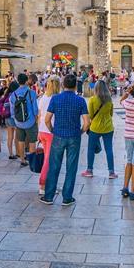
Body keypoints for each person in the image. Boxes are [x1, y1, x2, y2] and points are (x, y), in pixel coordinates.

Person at [41, 73, 89, 206]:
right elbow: (86, 123)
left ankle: (49, 196)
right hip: (74, 136)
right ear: (75, 86)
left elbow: (47, 119)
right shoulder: (80, 100)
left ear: (63, 85)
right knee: (71, 167)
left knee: (54, 166)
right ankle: (67, 197)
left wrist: (52, 130)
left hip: (58, 135)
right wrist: (81, 132)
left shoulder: (55, 99)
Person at [82, 80, 116, 179]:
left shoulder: (92, 99)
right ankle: (111, 172)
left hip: (95, 128)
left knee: (91, 149)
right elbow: (111, 114)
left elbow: (91, 115)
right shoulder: (109, 100)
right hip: (108, 127)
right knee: (109, 149)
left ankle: (89, 170)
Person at [37, 77, 61, 195]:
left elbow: (39, 115)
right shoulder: (56, 98)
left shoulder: (43, 98)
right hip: (50, 131)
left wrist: (38, 132)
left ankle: (48, 184)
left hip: (42, 131)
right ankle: (43, 185)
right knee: (49, 160)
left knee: (48, 159)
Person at [9, 74, 38, 167]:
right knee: (32, 142)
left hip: (19, 123)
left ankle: (22, 160)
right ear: (26, 81)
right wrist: (36, 120)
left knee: (20, 141)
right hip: (30, 122)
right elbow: (35, 110)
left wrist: (17, 120)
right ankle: (33, 161)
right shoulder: (32, 93)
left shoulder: (13, 95)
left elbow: (12, 112)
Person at [0, 81, 19, 160]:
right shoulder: (15, 95)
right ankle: (18, 152)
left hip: (7, 117)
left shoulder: (6, 95)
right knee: (17, 137)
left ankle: (11, 154)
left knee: (10, 137)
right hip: (13, 118)